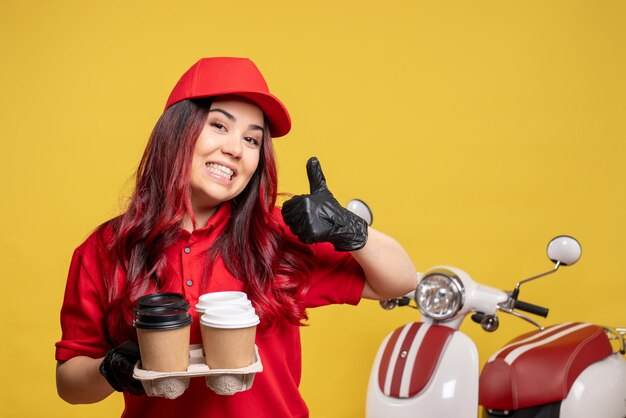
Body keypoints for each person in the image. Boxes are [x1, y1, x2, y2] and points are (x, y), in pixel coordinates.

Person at [55, 57, 417, 418]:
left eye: (251, 139)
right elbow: (69, 383)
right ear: (176, 131)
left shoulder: (276, 236)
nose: (235, 149)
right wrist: (110, 369)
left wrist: (349, 229)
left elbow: (399, 282)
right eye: (219, 126)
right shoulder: (105, 249)